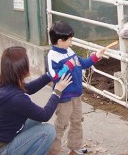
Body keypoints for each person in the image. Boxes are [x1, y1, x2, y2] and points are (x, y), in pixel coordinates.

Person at [0, 46, 72, 155]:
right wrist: (57, 91)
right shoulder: (16, 99)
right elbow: (45, 115)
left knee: (35, 120)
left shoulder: (2, 84)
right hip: (0, 150)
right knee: (48, 131)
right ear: (21, 68)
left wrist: (50, 74)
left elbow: (29, 88)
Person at [47, 21, 106, 155]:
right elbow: (54, 76)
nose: (72, 41)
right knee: (61, 125)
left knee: (77, 121)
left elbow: (83, 63)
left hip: (77, 94)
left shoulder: (69, 50)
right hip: (64, 97)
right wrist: (68, 65)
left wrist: (95, 57)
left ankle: (75, 147)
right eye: (70, 39)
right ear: (61, 41)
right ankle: (53, 151)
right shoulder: (52, 56)